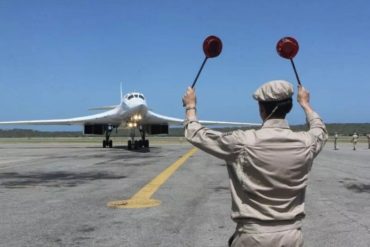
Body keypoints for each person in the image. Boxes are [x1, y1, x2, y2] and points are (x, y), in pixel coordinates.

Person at [182, 80, 328, 247]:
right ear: (288, 108)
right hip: (292, 237)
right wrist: (306, 105)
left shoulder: (243, 142)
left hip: (254, 237)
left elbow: (196, 134)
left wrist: (190, 106)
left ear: (262, 109)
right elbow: (320, 129)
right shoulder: (306, 143)